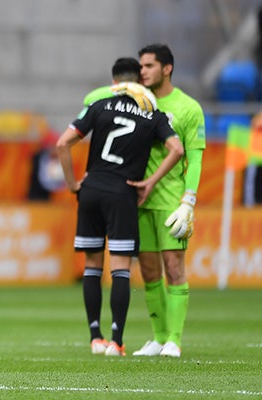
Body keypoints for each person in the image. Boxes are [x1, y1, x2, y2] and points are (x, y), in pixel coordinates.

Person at [56, 57, 184, 357]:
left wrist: (73, 183)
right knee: (121, 269)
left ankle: (95, 337)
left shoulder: (99, 105)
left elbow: (62, 144)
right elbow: (176, 149)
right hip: (122, 193)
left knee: (91, 264)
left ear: (115, 83)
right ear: (139, 81)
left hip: (91, 190)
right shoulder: (153, 114)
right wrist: (150, 181)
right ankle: (117, 341)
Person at [132, 44, 206, 358]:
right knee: (149, 273)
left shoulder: (188, 108)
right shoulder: (135, 103)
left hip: (170, 202)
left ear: (167, 68)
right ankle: (159, 338)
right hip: (138, 201)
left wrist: (188, 202)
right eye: (141, 67)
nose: (143, 71)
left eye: (149, 66)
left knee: (174, 269)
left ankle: (175, 339)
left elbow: (195, 158)